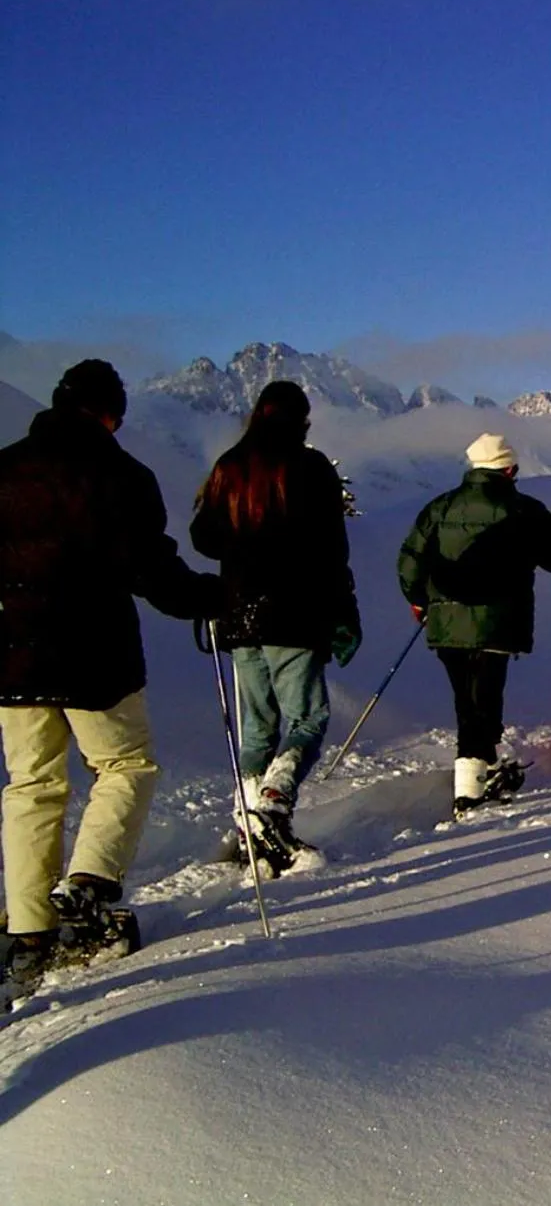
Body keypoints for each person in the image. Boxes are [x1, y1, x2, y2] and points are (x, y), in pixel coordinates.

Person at [0, 360, 221, 997]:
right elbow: (152, 572)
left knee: (31, 785)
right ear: (110, 414)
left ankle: (29, 927)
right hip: (94, 653)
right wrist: (209, 597)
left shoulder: (4, 469)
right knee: (125, 765)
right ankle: (89, 885)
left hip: (13, 654)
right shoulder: (122, 476)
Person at [190, 380, 360, 872]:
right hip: (296, 611)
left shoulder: (229, 466)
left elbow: (203, 536)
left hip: (238, 612)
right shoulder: (311, 468)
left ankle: (250, 821)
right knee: (308, 718)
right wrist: (343, 608)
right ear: (302, 419)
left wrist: (243, 548)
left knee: (257, 728)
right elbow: (334, 548)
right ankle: (274, 798)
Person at [397, 433, 551, 816]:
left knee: (467, 700)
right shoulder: (523, 509)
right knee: (484, 698)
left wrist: (419, 600)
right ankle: (470, 791)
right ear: (507, 468)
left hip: (446, 619)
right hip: (498, 619)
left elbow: (409, 562)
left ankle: (479, 768)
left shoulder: (439, 507)